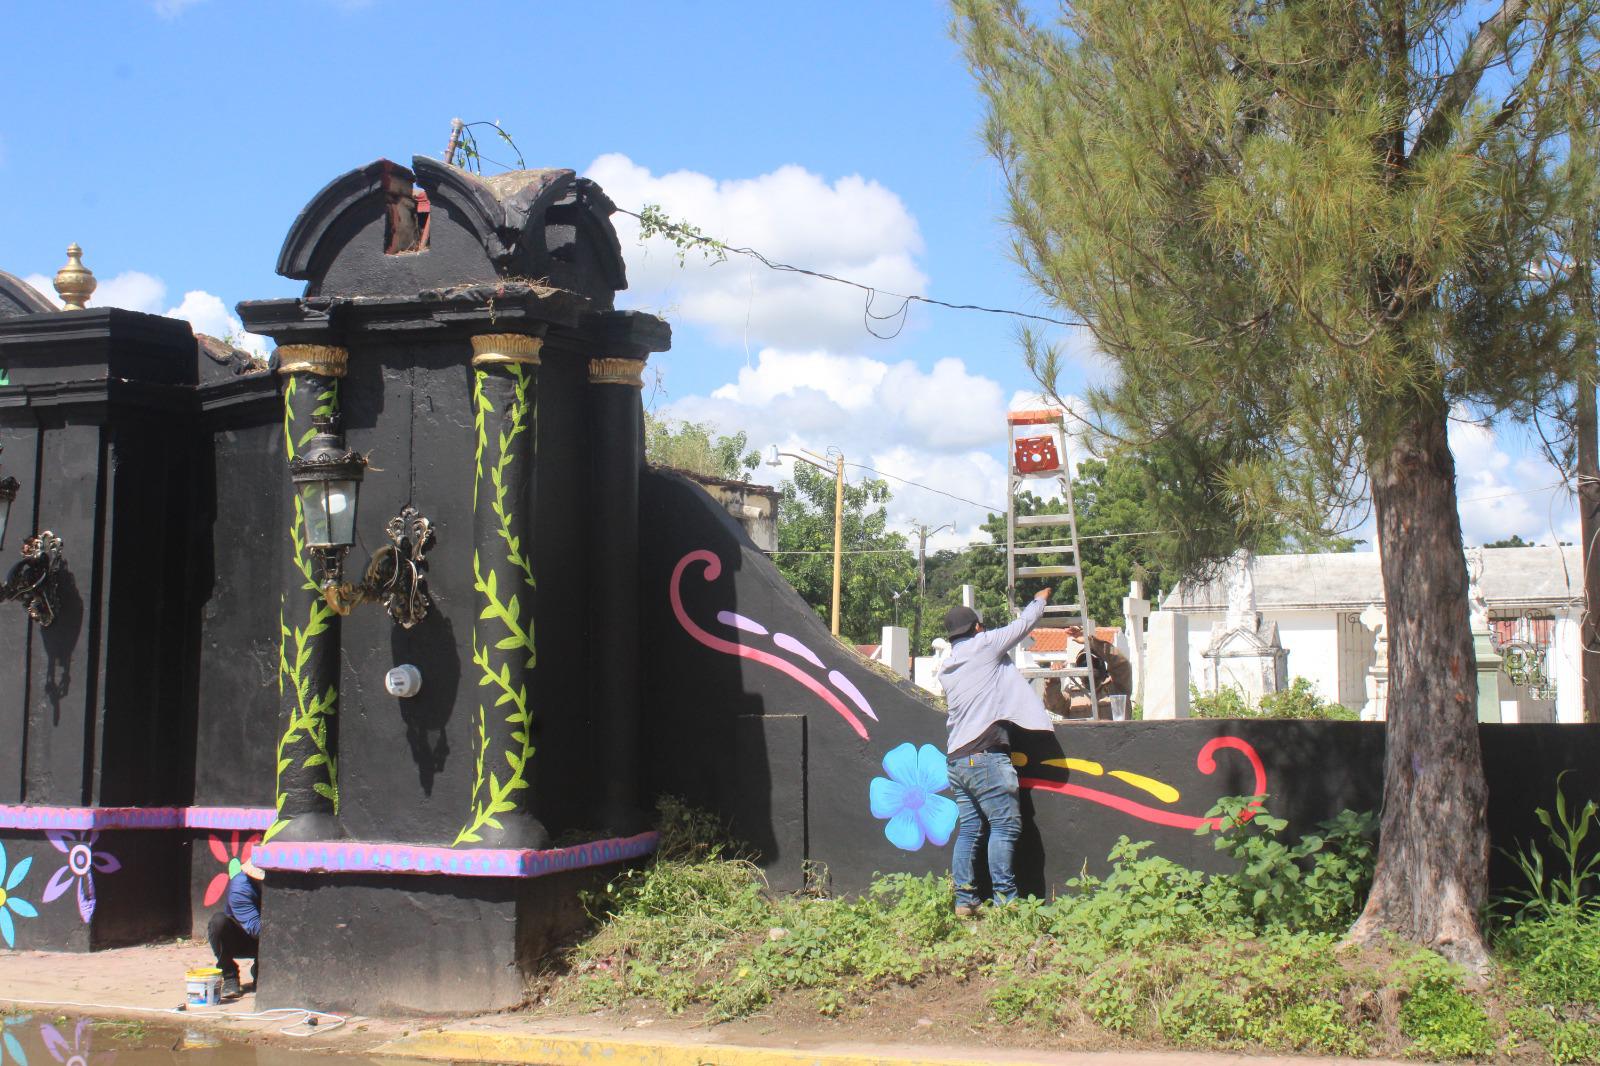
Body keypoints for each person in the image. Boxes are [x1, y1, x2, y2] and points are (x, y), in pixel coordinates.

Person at [938, 587, 1057, 916]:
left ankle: (965, 901)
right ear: (977, 627)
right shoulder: (985, 646)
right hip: (985, 756)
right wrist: (1041, 599)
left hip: (957, 759)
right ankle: (1006, 902)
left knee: (971, 830)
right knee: (1004, 827)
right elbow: (1024, 624)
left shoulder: (948, 667)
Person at [208, 859, 263, 1000]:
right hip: (246, 937)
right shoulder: (241, 887)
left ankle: (261, 970)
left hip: (273, 938)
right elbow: (256, 930)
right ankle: (229, 974)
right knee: (218, 923)